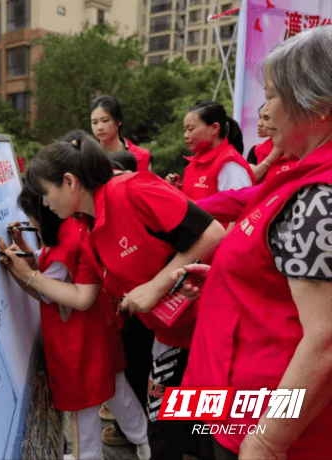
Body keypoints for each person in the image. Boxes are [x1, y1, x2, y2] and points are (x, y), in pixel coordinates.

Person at [1, 136, 226, 459]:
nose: (46, 205)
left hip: (207, 323)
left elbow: (213, 232)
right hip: (167, 331)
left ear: (69, 182)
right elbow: (84, 294)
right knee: (174, 425)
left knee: (197, 426)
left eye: (47, 194)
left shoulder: (132, 191)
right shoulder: (84, 226)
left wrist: (156, 286)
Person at [175, 25, 332, 460]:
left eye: (273, 96)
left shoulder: (321, 197)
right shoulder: (303, 175)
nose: (264, 111)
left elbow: (326, 339)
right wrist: (228, 279)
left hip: (268, 425)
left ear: (317, 106)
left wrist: (266, 441)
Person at [0, 184, 150, 460]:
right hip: (98, 332)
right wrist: (22, 249)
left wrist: (20, 273)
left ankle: (90, 456)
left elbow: (47, 290)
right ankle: (144, 440)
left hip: (78, 341)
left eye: (31, 215)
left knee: (84, 411)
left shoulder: (64, 244)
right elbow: (47, 266)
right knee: (117, 391)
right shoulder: (72, 227)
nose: (30, 221)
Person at [167, 101, 255, 201]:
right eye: (184, 130)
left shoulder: (230, 164)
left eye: (190, 129)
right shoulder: (192, 165)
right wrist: (176, 190)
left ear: (214, 128)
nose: (186, 136)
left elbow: (237, 206)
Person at [90, 95, 151, 171]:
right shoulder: (86, 157)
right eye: (94, 122)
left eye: (105, 120)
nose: (99, 127)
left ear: (119, 121)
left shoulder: (141, 156)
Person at [247, 104, 297, 183]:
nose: (259, 124)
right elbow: (247, 181)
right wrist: (272, 156)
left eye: (266, 119)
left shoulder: (301, 152)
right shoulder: (256, 151)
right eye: (260, 117)